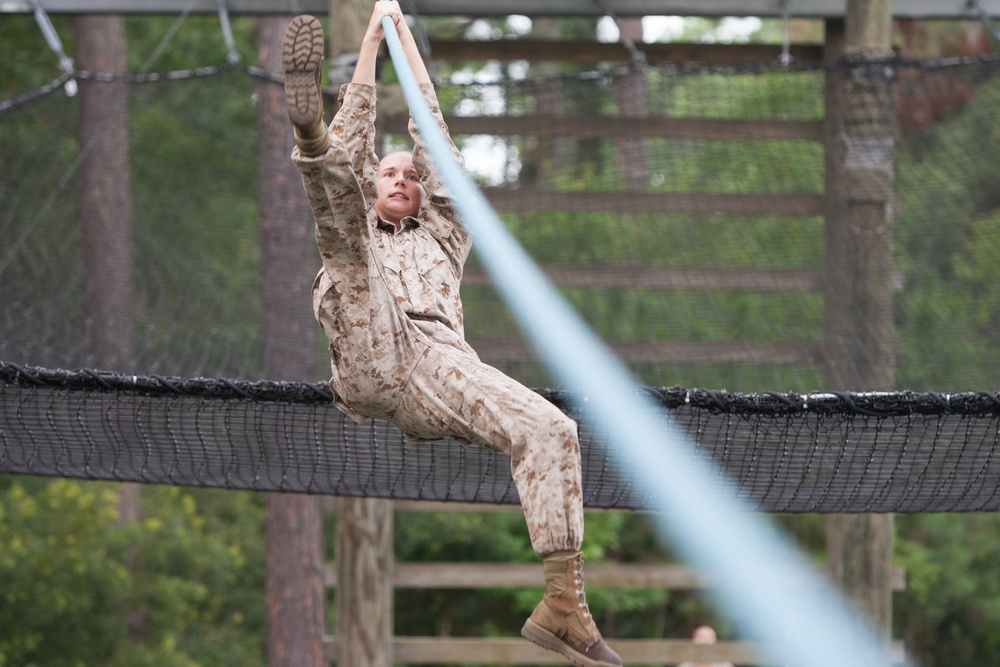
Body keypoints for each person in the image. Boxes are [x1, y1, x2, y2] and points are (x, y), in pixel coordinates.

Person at [281, 4, 622, 667]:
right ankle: (308, 135)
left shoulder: (444, 233)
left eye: (410, 175)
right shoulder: (361, 217)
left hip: (438, 369)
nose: (403, 178)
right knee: (342, 228)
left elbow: (433, 139)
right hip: (368, 348)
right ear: (376, 185)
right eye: (390, 173)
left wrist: (404, 41)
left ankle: (563, 604)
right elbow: (352, 172)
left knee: (553, 429)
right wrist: (370, 45)